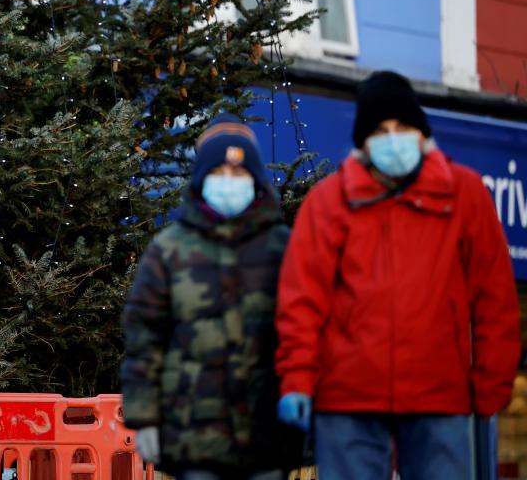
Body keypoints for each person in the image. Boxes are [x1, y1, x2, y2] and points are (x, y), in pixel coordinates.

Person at [275, 71, 522, 480]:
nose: (393, 138)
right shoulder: (329, 202)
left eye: (403, 127)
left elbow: (493, 295)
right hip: (349, 400)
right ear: (363, 141)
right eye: (380, 130)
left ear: (422, 132)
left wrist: (492, 383)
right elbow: (302, 300)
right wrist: (298, 379)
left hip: (439, 397)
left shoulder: (465, 194)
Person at [121, 115, 296, 480]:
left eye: (239, 173)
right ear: (202, 179)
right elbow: (144, 338)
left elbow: (306, 331)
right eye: (220, 173)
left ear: (255, 181)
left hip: (267, 433)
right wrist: (145, 417)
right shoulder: (169, 250)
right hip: (193, 433)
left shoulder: (284, 248)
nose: (229, 183)